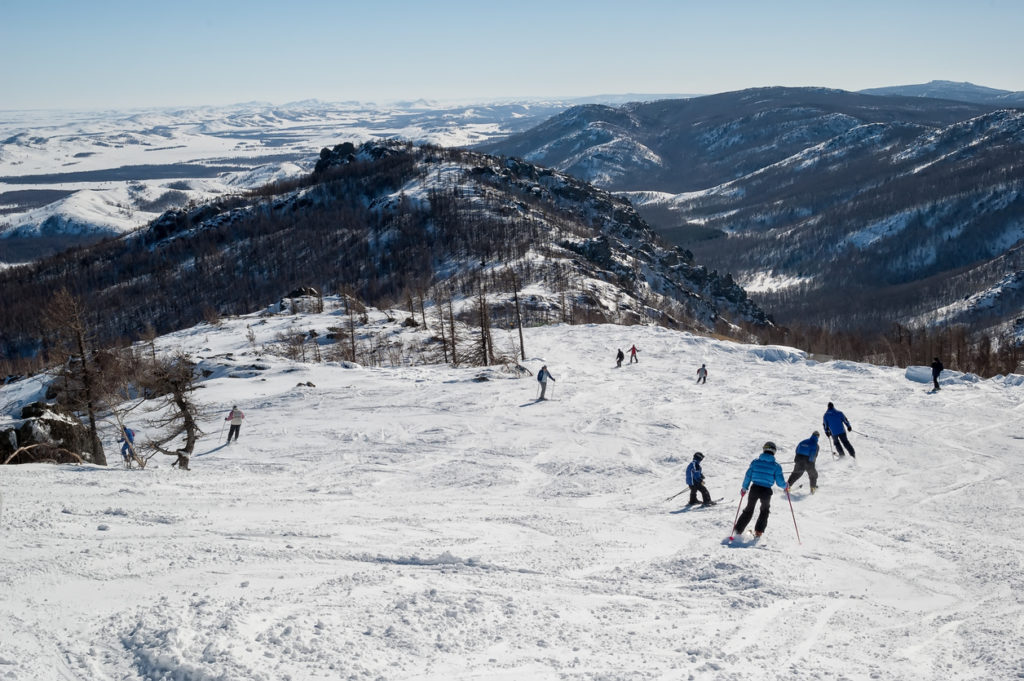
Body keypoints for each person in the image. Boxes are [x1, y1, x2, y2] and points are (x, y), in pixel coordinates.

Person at [732, 441, 789, 538]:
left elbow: (748, 476)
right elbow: (780, 482)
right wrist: (785, 486)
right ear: (774, 452)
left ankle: (737, 531)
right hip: (766, 491)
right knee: (764, 510)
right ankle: (758, 532)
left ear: (764, 449)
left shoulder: (755, 462)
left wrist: (744, 488)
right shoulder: (776, 466)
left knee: (749, 509)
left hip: (755, 488)